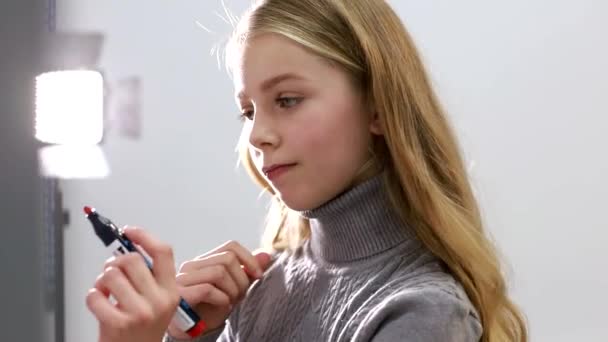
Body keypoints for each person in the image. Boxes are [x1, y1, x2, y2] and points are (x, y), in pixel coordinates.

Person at [86, 0, 528, 341]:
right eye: (248, 111)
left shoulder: (423, 313)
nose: (258, 135)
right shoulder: (260, 286)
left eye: (288, 100)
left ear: (378, 105)